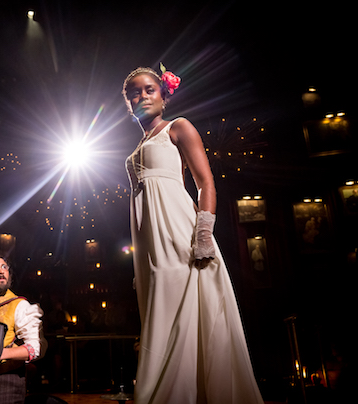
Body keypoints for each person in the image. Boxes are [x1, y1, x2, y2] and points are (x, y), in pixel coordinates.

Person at [122, 66, 264, 404]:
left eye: (148, 90)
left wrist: (203, 236)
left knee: (181, 315)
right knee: (159, 315)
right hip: (149, 244)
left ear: (164, 95)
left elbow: (205, 183)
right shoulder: (138, 143)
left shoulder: (178, 127)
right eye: (133, 94)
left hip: (178, 234)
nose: (141, 97)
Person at [0, 254, 47, 404]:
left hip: (4, 383)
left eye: (5, 267)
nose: (1, 271)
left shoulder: (19, 305)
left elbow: (35, 348)